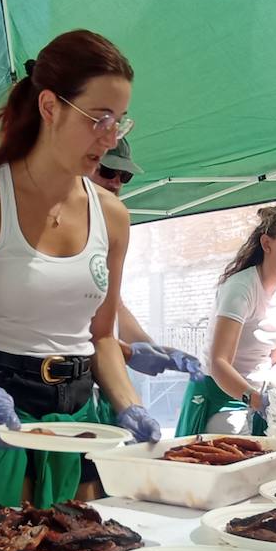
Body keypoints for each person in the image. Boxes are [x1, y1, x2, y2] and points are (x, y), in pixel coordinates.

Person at [0, 30, 161, 520]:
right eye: (100, 118)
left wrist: (127, 405)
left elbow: (101, 337)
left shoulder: (112, 216)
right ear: (50, 107)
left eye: (120, 120)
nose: (111, 138)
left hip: (79, 423)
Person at [176, 204, 276, 436]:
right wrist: (256, 400)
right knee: (230, 444)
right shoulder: (241, 288)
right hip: (219, 392)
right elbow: (219, 362)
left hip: (258, 395)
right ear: (267, 244)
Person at [89, 137, 202, 381]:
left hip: (88, 379)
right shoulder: (51, 225)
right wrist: (129, 353)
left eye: (124, 176)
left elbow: (114, 305)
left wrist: (156, 350)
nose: (116, 182)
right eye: (108, 171)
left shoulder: (110, 227)